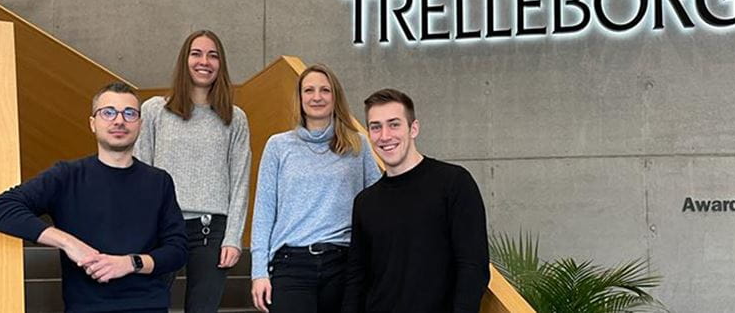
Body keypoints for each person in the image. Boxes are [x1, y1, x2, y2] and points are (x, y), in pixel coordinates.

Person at [0, 82, 187, 312]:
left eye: (129, 113)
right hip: (86, 307)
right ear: (93, 123)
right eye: (108, 112)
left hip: (148, 306)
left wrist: (130, 263)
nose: (119, 120)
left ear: (139, 124)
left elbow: (177, 250)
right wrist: (70, 244)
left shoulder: (159, 181)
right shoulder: (66, 175)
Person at [342, 88, 490, 313]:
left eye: (394, 124)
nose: (385, 136)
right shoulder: (365, 202)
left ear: (413, 128)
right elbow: (356, 277)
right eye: (376, 127)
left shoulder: (454, 182)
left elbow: (473, 266)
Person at [250, 64, 382, 313]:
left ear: (336, 97)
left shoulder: (358, 144)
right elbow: (264, 212)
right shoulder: (278, 146)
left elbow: (377, 206)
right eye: (309, 90)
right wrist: (258, 272)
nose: (317, 97)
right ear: (300, 98)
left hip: (343, 263)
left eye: (325, 90)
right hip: (291, 265)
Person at [135, 30, 250, 312]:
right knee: (146, 304)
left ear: (221, 65)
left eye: (213, 55)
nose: (204, 61)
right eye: (196, 53)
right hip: (163, 225)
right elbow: (139, 172)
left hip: (211, 230)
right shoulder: (154, 111)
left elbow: (240, 180)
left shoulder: (234, 117)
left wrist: (234, 237)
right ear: (184, 60)